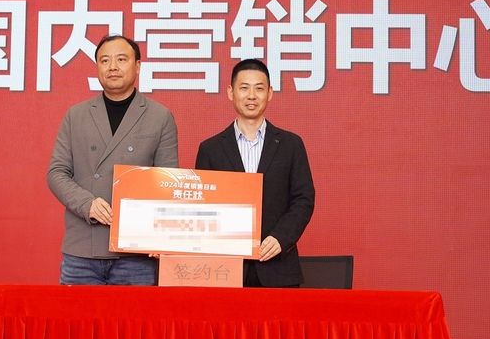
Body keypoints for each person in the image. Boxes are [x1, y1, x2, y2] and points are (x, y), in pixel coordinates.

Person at [47, 35, 178, 284]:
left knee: (134, 312)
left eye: (121, 59)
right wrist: (87, 204)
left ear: (137, 66)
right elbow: (56, 172)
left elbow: (168, 183)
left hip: (136, 252)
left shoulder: (160, 116)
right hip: (82, 249)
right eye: (105, 60)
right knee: (77, 312)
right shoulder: (76, 115)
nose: (113, 67)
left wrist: (160, 237)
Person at [195, 59, 314, 288]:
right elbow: (202, 208)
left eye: (259, 88)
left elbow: (303, 199)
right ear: (231, 92)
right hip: (225, 269)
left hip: (277, 267)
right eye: (244, 88)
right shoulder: (210, 149)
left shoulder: (291, 144)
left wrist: (281, 238)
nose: (251, 96)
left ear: (270, 93)